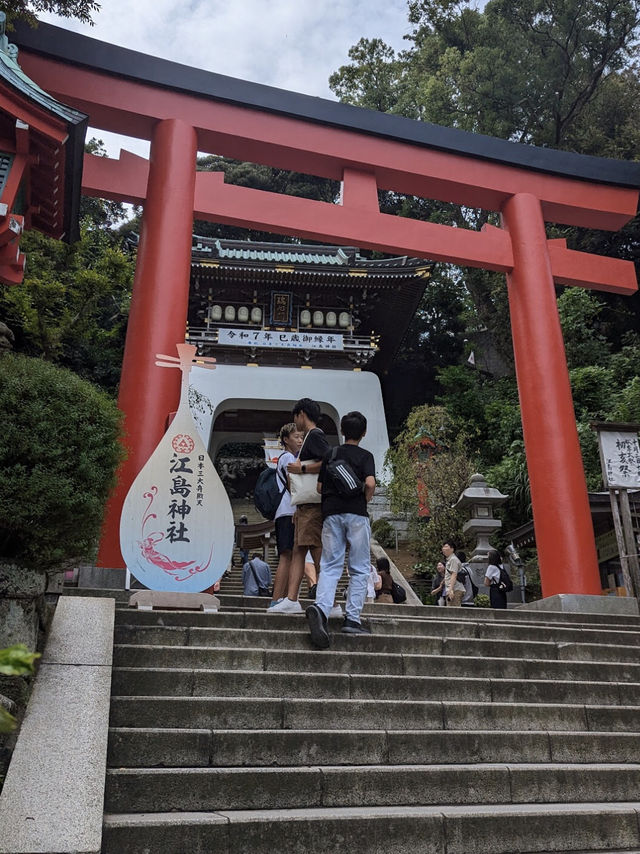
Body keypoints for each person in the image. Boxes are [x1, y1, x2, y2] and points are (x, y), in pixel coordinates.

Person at [306, 411, 376, 648]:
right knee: (359, 568)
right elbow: (369, 483)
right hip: (356, 514)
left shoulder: (331, 454)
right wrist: (364, 500)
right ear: (363, 433)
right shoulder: (366, 456)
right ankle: (352, 620)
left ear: (342, 432)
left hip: (331, 514)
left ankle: (322, 610)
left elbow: (318, 487)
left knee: (330, 565)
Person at [268, 398, 329, 614]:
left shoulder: (315, 436)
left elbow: (328, 461)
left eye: (296, 417)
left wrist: (302, 469)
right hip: (303, 505)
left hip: (312, 505)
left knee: (311, 551)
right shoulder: (313, 437)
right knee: (299, 550)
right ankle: (293, 598)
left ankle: (325, 600)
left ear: (301, 414)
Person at [268, 423, 303, 609]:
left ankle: (279, 599)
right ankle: (277, 599)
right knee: (287, 556)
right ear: (286, 439)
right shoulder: (288, 457)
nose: (299, 440)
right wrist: (299, 506)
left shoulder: (282, 458)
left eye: (301, 437)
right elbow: (293, 484)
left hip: (283, 512)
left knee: (287, 555)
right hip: (290, 511)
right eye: (296, 436)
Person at [442, 539, 465, 607]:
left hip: (455, 589)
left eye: (446, 546)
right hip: (452, 589)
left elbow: (454, 574)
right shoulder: (450, 559)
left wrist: (451, 590)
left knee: (454, 612)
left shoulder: (453, 559)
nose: (443, 549)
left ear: (452, 549)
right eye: (443, 547)